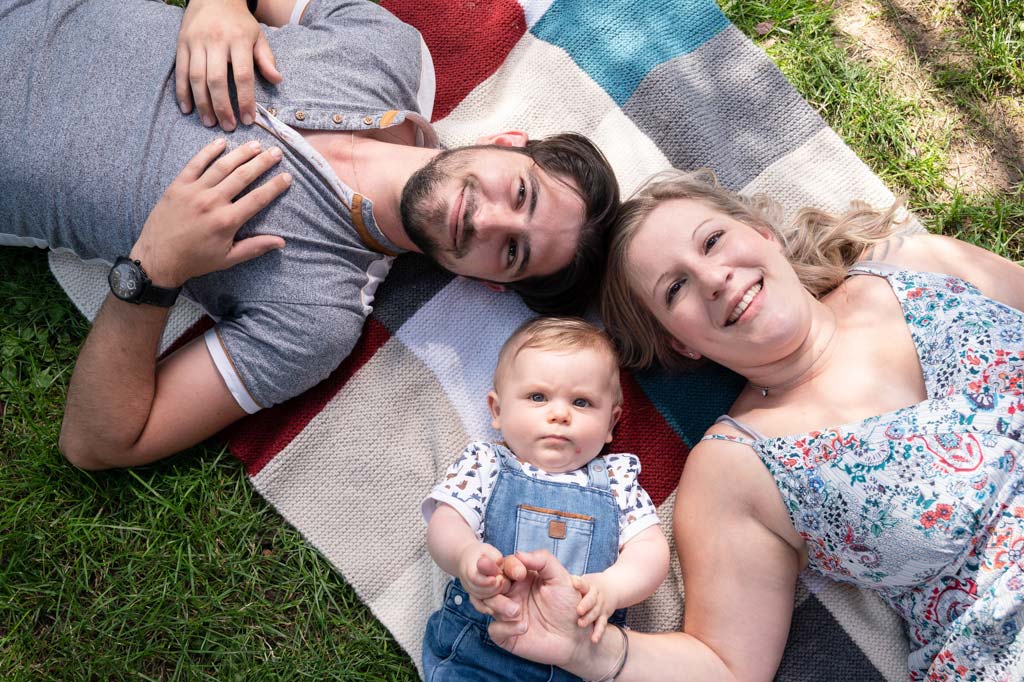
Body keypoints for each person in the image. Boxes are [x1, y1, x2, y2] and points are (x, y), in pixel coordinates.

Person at [0, 0, 619, 471]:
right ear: (509, 143)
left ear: (487, 284)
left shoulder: (314, 320)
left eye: (512, 251)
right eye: (520, 193)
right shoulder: (389, 53)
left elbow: (99, 441)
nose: (486, 220)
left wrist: (155, 270)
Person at [473, 170, 1024, 681]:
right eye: (675, 289)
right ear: (679, 343)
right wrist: (586, 647)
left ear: (764, 234)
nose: (713, 278)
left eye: (712, 241)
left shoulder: (910, 262)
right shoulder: (736, 467)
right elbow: (725, 668)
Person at [421, 317, 669, 681]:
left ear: (611, 423)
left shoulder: (617, 481)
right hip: (481, 645)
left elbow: (649, 550)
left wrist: (612, 586)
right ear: (497, 411)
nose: (559, 414)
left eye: (582, 402)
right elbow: (447, 522)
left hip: (583, 655)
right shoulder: (486, 464)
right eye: (537, 397)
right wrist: (465, 556)